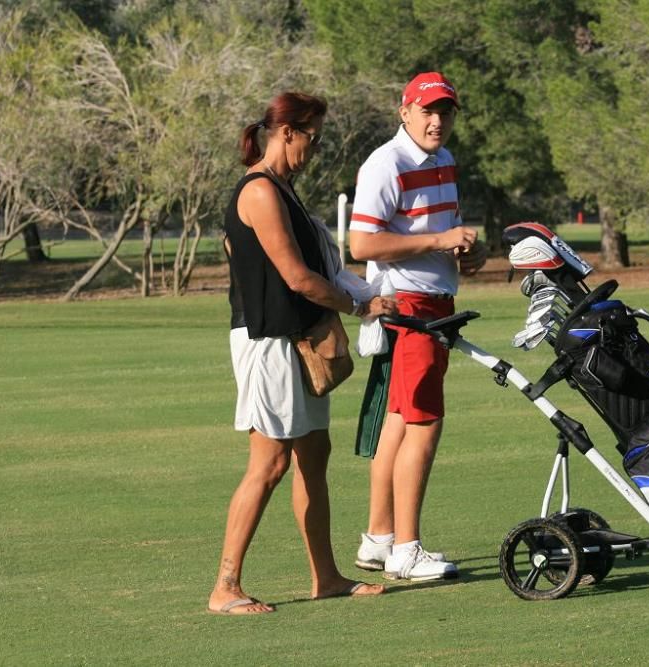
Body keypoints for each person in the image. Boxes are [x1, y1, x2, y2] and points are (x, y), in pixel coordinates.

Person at [208, 92, 398, 615]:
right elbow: (297, 278)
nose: (315, 147)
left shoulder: (285, 191)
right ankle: (225, 586)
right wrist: (360, 308)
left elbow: (321, 271)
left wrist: (365, 296)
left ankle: (327, 577)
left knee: (314, 456)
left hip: (299, 341)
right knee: (268, 464)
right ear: (286, 131)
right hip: (268, 342)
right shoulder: (260, 192)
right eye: (312, 136)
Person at [348, 73, 488, 581]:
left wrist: (466, 253)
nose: (436, 121)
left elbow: (435, 232)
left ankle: (379, 539)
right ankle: (407, 550)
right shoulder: (386, 163)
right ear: (404, 110)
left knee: (400, 421)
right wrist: (437, 243)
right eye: (427, 110)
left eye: (445, 112)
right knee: (425, 422)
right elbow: (361, 245)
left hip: (435, 301)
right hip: (409, 308)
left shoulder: (444, 160)